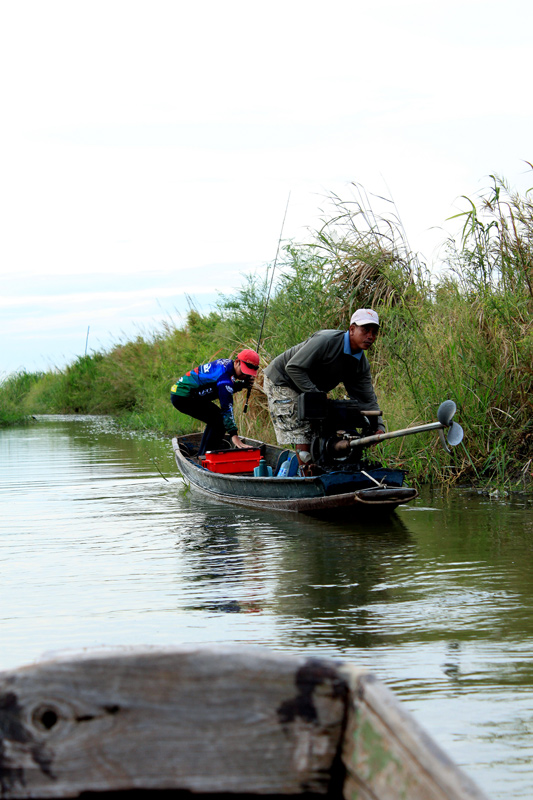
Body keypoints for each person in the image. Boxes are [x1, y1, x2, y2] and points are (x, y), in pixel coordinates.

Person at [263, 309, 385, 466]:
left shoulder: (360, 364)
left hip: (308, 388)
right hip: (283, 379)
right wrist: (317, 396)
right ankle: (306, 474)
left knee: (323, 425)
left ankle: (326, 467)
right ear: (352, 329)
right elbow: (293, 367)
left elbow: (367, 398)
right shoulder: (326, 340)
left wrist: (378, 427)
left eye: (374, 332)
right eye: (365, 330)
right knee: (303, 429)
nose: (370, 336)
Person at [171, 348, 260, 456]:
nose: (245, 376)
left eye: (249, 374)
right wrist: (234, 436)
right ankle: (206, 456)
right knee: (219, 420)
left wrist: (242, 384)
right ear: (237, 362)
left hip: (189, 394)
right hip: (183, 396)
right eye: (244, 372)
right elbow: (226, 407)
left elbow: (219, 387)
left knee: (216, 419)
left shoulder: (227, 365)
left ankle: (202, 454)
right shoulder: (225, 377)